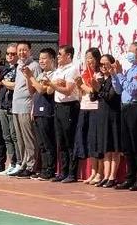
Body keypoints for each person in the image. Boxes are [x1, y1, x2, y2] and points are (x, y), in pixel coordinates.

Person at [112, 41, 137, 191]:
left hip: (136, 107)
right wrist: (115, 75)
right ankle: (130, 177)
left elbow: (133, 89)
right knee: (127, 145)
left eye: (132, 51)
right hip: (125, 107)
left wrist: (120, 74)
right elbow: (119, 90)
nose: (129, 54)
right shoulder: (130, 69)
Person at [6, 41, 39, 178]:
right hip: (16, 106)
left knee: (28, 137)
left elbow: (35, 88)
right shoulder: (19, 66)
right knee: (20, 139)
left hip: (26, 106)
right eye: (19, 50)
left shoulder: (34, 66)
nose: (21, 53)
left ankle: (31, 166)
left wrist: (33, 107)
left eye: (24, 50)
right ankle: (24, 164)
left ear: (30, 51)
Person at [49, 45, 81, 183]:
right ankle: (63, 171)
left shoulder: (72, 69)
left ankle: (72, 173)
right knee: (60, 141)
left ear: (68, 56)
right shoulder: (58, 70)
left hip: (69, 106)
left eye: (60, 54)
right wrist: (53, 84)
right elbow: (50, 90)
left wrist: (53, 84)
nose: (58, 57)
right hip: (58, 106)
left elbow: (68, 90)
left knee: (69, 140)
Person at [28, 47, 58, 181]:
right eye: (40, 58)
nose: (41, 61)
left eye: (44, 58)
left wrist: (30, 76)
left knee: (48, 142)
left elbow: (41, 90)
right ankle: (43, 168)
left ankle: (50, 169)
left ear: (52, 59)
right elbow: (33, 91)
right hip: (37, 111)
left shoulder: (54, 74)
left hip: (47, 111)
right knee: (41, 143)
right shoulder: (40, 75)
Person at [93, 53, 122, 187]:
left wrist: (98, 88)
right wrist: (94, 87)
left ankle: (112, 176)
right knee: (105, 147)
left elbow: (111, 97)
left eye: (106, 63)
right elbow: (94, 97)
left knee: (114, 147)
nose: (103, 66)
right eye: (101, 64)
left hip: (113, 115)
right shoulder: (101, 79)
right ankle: (105, 175)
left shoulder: (114, 78)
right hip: (102, 115)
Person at [74, 48, 102, 184]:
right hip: (84, 107)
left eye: (91, 57)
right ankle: (93, 171)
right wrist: (79, 86)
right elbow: (82, 92)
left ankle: (99, 173)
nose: (88, 60)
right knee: (88, 142)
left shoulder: (99, 74)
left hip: (95, 108)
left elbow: (94, 91)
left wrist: (82, 85)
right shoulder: (85, 73)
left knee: (96, 142)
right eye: (86, 58)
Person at [0, 43, 19, 175]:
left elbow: (15, 85)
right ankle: (12, 163)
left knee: (14, 136)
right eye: (8, 53)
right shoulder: (5, 69)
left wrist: (4, 82)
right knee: (6, 137)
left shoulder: (19, 69)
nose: (10, 56)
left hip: (13, 106)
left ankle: (18, 162)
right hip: (3, 106)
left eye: (13, 54)